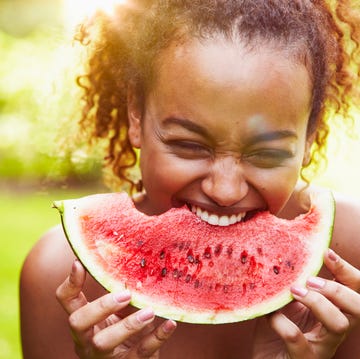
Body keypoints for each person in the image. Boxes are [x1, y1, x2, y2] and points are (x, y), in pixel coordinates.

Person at [20, 0, 360, 358]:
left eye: (266, 154)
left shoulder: (349, 261)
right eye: (188, 146)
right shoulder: (57, 276)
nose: (225, 191)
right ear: (136, 115)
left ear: (308, 138)